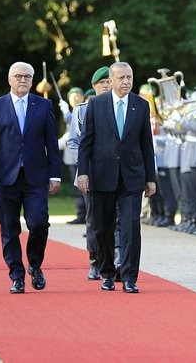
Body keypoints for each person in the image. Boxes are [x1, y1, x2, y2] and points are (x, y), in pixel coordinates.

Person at [0, 61, 61, 294]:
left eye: (27, 76)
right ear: (9, 79)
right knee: (9, 228)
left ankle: (34, 265)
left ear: (32, 80)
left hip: (36, 177)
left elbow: (51, 144)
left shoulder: (43, 106)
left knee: (38, 224)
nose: (23, 80)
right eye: (18, 76)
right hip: (5, 178)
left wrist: (55, 175)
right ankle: (16, 275)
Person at [76, 62, 157, 293]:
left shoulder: (141, 106)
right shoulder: (96, 105)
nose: (126, 82)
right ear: (110, 81)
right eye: (121, 78)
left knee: (131, 226)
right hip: (102, 175)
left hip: (132, 177)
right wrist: (83, 172)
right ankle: (107, 272)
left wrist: (150, 178)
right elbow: (86, 143)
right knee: (103, 228)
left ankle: (130, 277)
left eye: (129, 77)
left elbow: (146, 144)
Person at [66, 66, 111, 280]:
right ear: (94, 86)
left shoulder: (122, 107)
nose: (106, 85)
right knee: (94, 218)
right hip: (91, 173)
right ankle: (95, 259)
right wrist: (86, 162)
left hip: (116, 172)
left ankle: (115, 258)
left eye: (109, 81)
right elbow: (73, 142)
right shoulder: (82, 110)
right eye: (102, 83)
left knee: (118, 218)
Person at [59, 87, 86, 224]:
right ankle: (81, 213)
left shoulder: (81, 110)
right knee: (77, 188)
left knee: (84, 189)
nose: (75, 99)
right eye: (72, 97)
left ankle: (85, 214)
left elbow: (73, 121)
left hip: (83, 156)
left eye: (77, 96)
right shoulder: (71, 113)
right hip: (71, 156)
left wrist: (66, 112)